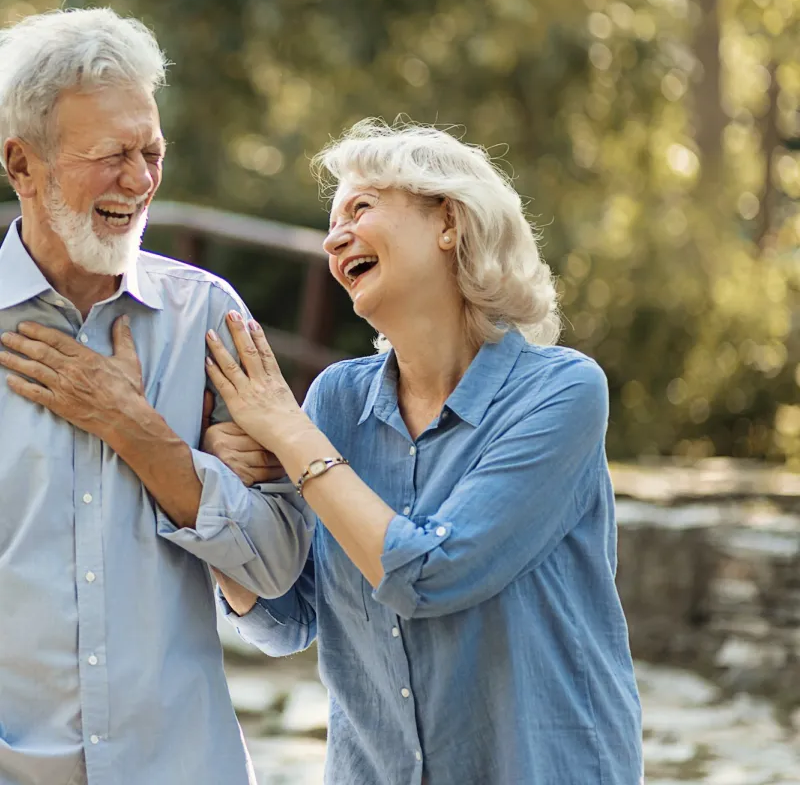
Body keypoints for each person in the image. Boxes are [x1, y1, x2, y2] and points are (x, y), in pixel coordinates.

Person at [203, 119, 644, 784]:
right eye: (332, 221)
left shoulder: (561, 393)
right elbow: (286, 620)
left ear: (449, 223)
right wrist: (214, 482)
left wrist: (290, 437)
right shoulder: (336, 403)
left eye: (360, 207)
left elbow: (432, 574)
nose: (333, 236)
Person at [0, 8, 312, 785]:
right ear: (22, 163)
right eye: (111, 156)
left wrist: (138, 431)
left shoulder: (210, 319)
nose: (139, 182)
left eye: (151, 152)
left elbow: (278, 575)